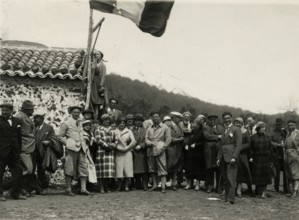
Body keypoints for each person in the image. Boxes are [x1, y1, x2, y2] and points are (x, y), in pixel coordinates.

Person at [58, 106, 92, 196]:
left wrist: (85, 140)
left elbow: (83, 132)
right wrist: (68, 143)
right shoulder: (66, 123)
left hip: (82, 148)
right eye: (75, 112)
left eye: (78, 112)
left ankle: (83, 189)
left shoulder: (81, 122)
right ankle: (68, 189)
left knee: (83, 167)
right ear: (71, 113)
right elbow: (60, 136)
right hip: (71, 148)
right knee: (69, 168)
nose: (77, 114)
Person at [0, 102, 27, 201]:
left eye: (6, 110)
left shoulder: (17, 121)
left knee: (18, 171)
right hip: (2, 152)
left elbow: (19, 136)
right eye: (2, 110)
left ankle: (15, 193)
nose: (4, 112)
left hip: (14, 152)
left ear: (11, 111)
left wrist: (19, 149)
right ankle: (0, 194)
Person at [217, 112, 242, 204]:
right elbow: (221, 145)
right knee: (225, 179)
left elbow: (238, 145)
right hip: (223, 157)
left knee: (231, 178)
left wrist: (234, 157)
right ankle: (227, 198)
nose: (226, 120)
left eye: (228, 118)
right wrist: (218, 158)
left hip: (231, 157)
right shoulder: (224, 130)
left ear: (231, 118)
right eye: (225, 118)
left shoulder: (236, 129)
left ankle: (231, 199)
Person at [145, 112, 171, 193]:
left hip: (160, 149)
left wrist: (163, 146)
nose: (155, 118)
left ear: (160, 117)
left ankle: (163, 186)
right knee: (152, 168)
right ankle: (155, 185)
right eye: (153, 117)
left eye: (157, 116)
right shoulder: (149, 128)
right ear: (152, 118)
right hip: (150, 149)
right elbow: (146, 138)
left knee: (162, 167)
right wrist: (149, 143)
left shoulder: (165, 127)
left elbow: (168, 139)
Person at [15, 100, 36, 196]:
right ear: (27, 110)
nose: (33, 111)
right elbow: (17, 132)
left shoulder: (26, 117)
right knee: (28, 169)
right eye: (31, 109)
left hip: (29, 146)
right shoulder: (20, 117)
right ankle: (15, 188)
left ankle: (21, 189)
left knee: (26, 169)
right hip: (24, 146)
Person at [33, 110, 56, 195]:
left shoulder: (49, 128)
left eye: (37, 118)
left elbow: (54, 138)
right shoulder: (32, 126)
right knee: (30, 170)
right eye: (35, 117)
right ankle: (30, 188)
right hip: (32, 151)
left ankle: (40, 188)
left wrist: (49, 142)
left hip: (43, 151)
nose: (35, 119)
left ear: (42, 118)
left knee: (41, 170)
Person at [249, 121, 272, 199]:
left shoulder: (268, 137)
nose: (264, 129)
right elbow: (250, 149)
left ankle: (263, 193)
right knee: (257, 176)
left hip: (265, 159)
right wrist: (251, 157)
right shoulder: (253, 137)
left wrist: (270, 158)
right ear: (258, 128)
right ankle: (258, 191)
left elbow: (270, 148)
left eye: (264, 127)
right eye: (262, 127)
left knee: (265, 177)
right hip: (256, 158)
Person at [94, 114, 117, 193]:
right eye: (105, 120)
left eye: (108, 120)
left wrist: (114, 145)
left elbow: (115, 139)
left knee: (109, 171)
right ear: (102, 121)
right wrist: (107, 145)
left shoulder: (112, 130)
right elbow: (98, 140)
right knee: (101, 170)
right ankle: (101, 187)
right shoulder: (98, 129)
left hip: (110, 152)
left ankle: (107, 187)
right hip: (102, 151)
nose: (107, 121)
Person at [184, 115, 206, 191]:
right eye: (194, 124)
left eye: (196, 124)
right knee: (189, 168)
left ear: (199, 125)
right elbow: (188, 140)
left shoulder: (202, 132)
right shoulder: (192, 132)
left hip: (198, 153)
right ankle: (189, 184)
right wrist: (186, 144)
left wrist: (196, 145)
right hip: (190, 153)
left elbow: (203, 143)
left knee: (198, 169)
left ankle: (197, 185)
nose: (194, 126)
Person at [203, 114, 224, 193]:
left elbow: (224, 137)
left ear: (216, 120)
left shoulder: (221, 128)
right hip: (210, 152)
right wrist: (218, 137)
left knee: (219, 169)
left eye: (214, 119)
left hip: (219, 151)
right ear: (208, 120)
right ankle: (209, 186)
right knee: (209, 169)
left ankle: (219, 187)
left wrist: (216, 138)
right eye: (211, 119)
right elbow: (207, 136)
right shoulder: (206, 127)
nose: (212, 121)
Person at [115, 117, 136, 192]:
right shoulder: (114, 131)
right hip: (118, 152)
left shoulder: (129, 131)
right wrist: (118, 148)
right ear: (118, 123)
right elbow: (113, 141)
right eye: (120, 123)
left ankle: (127, 186)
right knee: (119, 169)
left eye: (123, 123)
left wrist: (127, 148)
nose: (122, 124)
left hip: (127, 152)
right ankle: (119, 186)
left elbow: (133, 141)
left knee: (127, 169)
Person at [164, 113, 184, 190]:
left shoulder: (179, 127)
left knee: (176, 166)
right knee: (168, 165)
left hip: (177, 149)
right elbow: (166, 137)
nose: (179, 119)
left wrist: (181, 138)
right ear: (173, 118)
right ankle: (165, 182)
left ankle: (173, 183)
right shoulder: (167, 126)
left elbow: (182, 135)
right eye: (178, 118)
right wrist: (177, 140)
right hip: (170, 148)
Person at [233, 117, 252, 198]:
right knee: (233, 172)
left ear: (242, 124)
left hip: (241, 155)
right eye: (236, 123)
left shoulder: (245, 132)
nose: (238, 124)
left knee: (241, 173)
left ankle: (239, 190)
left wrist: (240, 148)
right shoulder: (232, 130)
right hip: (233, 154)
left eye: (239, 123)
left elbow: (248, 143)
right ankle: (232, 189)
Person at [270, 118, 289, 193]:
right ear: (276, 125)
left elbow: (288, 139)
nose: (279, 126)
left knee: (285, 171)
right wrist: (277, 145)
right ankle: (276, 188)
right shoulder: (272, 132)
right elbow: (270, 142)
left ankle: (286, 188)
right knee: (276, 171)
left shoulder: (285, 133)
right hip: (276, 154)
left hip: (284, 154)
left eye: (281, 124)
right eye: (278, 125)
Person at [132, 113, 148, 191]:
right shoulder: (131, 130)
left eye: (140, 121)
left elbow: (147, 140)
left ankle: (145, 184)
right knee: (136, 168)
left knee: (144, 169)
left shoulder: (145, 130)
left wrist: (141, 145)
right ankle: (137, 184)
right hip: (134, 151)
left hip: (142, 151)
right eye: (137, 121)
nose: (138, 122)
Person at [90, 51, 108, 119]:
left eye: (98, 54)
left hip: (98, 83)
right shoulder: (92, 63)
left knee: (98, 99)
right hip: (92, 82)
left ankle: (97, 116)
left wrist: (101, 85)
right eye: (95, 54)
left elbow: (103, 76)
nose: (96, 55)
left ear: (101, 56)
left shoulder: (102, 65)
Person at [284, 120, 299, 197]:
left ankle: (295, 191)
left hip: (295, 154)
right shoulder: (288, 134)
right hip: (287, 154)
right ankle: (291, 190)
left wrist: (297, 153)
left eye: (292, 125)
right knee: (289, 173)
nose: (290, 127)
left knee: (295, 173)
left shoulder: (297, 133)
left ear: (295, 125)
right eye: (289, 125)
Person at [178, 111, 193, 189]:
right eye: (185, 116)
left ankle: (189, 182)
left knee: (188, 164)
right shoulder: (180, 124)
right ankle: (179, 182)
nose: (186, 118)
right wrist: (188, 130)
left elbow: (193, 133)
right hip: (180, 145)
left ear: (190, 118)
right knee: (180, 163)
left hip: (189, 146)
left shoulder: (192, 124)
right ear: (183, 117)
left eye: (188, 116)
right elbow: (182, 131)